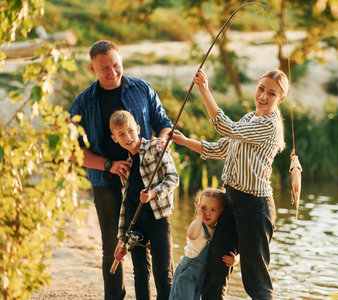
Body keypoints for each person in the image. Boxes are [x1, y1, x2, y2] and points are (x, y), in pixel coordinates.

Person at [69, 40, 173, 300]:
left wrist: (162, 140)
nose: (112, 72)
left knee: (159, 248)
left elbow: (164, 124)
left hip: (146, 182)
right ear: (91, 68)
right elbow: (70, 151)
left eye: (116, 65)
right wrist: (109, 165)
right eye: (104, 68)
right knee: (113, 247)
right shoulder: (82, 102)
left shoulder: (142, 88)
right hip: (106, 182)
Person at [172, 69, 288, 300]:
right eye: (261, 88)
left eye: (272, 93)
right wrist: (185, 142)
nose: (263, 96)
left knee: (255, 280)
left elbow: (227, 127)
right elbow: (221, 147)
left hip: (255, 208)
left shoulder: (269, 126)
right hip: (231, 201)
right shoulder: (248, 118)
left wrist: (204, 90)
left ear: (281, 98)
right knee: (217, 267)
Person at [110, 110, 179, 300]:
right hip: (136, 224)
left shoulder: (156, 148)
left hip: (158, 220)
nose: (128, 137)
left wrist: (153, 194)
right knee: (140, 274)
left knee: (163, 274)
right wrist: (121, 240)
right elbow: (127, 204)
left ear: (138, 129)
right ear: (115, 138)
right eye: (121, 134)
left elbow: (173, 178)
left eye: (131, 131)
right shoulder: (127, 164)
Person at [169, 188, 238, 300]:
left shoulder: (218, 231)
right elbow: (191, 235)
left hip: (202, 275)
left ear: (221, 212)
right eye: (204, 208)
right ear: (198, 206)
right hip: (188, 272)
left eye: (213, 210)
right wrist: (199, 216)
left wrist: (235, 260)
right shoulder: (198, 225)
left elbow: (235, 253)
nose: (207, 213)